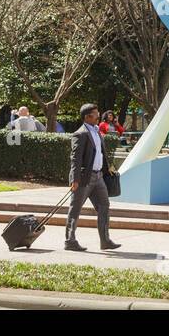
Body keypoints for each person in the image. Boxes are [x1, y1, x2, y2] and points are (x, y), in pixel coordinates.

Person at [65, 103, 120, 252]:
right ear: (87, 117)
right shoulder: (80, 134)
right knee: (75, 209)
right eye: (95, 114)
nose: (98, 116)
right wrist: (74, 179)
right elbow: (75, 158)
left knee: (104, 206)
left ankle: (105, 240)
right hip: (84, 178)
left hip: (99, 177)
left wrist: (107, 168)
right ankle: (70, 241)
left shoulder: (97, 132)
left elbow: (101, 152)